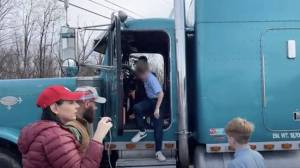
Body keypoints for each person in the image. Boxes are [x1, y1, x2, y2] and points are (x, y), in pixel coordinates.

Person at [17, 85, 112, 168]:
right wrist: (98, 137)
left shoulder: (47, 133)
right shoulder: (56, 137)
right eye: (71, 103)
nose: (77, 106)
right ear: (55, 108)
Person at [130, 60, 166, 161]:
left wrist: (157, 109)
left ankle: (158, 152)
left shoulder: (151, 79)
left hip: (158, 102)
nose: (140, 78)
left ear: (145, 72)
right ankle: (142, 131)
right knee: (137, 107)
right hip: (150, 101)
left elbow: (161, 94)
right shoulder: (144, 78)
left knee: (158, 127)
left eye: (140, 75)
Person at [65, 86, 107, 153]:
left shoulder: (79, 125)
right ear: (87, 104)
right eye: (94, 104)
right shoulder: (73, 129)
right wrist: (99, 134)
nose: (95, 108)